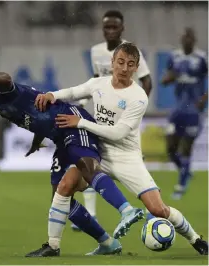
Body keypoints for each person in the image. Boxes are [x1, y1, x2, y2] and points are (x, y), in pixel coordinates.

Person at [35, 42, 208, 256]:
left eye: (130, 64)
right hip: (98, 152)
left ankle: (195, 239)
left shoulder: (138, 97)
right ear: (112, 62)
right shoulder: (98, 83)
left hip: (127, 157)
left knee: (157, 209)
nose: (124, 68)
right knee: (65, 186)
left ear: (136, 68)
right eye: (121, 62)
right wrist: (53, 94)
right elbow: (73, 91)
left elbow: (117, 133)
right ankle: (53, 245)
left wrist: (80, 123)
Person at [0, 71, 143, 256]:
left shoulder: (5, 95)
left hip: (73, 123)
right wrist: (37, 141)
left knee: (86, 164)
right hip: (59, 136)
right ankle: (103, 243)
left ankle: (127, 210)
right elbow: (37, 116)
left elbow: (6, 78)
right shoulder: (0, 108)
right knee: (59, 198)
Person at [75, 10, 153, 229]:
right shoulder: (95, 51)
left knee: (134, 167)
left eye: (114, 27)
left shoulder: (130, 51)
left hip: (126, 116)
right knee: (90, 160)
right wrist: (82, 104)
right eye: (106, 27)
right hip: (104, 115)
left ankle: (150, 209)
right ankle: (91, 214)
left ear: (122, 29)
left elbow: (147, 80)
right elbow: (98, 81)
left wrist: (137, 107)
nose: (110, 31)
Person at [161, 27, 208, 200]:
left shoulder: (202, 58)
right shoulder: (174, 56)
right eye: (184, 38)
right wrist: (168, 79)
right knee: (170, 149)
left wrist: (204, 98)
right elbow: (166, 78)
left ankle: (180, 186)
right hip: (177, 111)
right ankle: (185, 170)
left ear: (194, 41)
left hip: (194, 112)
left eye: (190, 38)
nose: (187, 41)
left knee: (186, 149)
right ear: (181, 40)